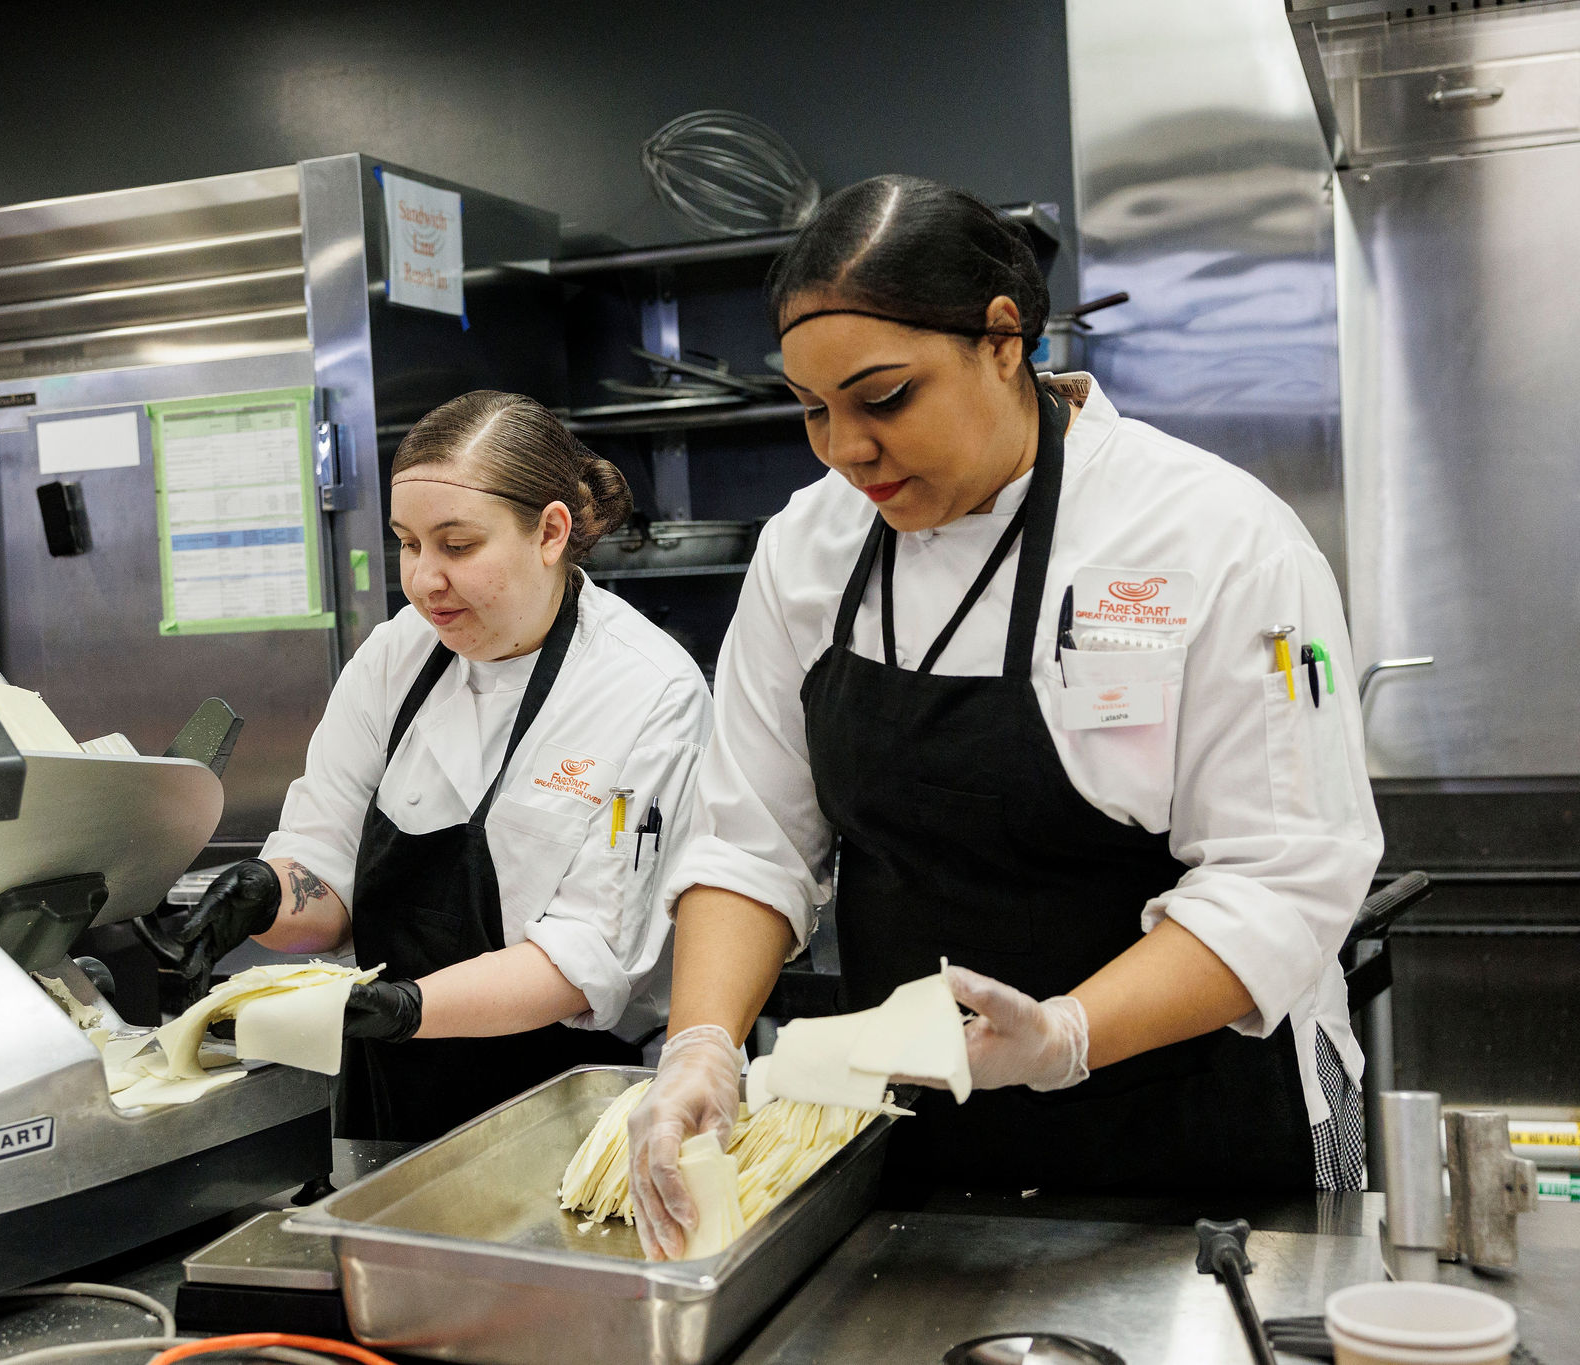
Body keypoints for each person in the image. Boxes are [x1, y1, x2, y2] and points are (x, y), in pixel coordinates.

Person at [625, 175, 1383, 1258]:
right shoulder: (807, 548)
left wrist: (1066, 1034)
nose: (844, 449)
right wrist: (701, 1041)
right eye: (812, 409)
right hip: (918, 1135)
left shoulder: (1215, 538)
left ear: (1000, 340)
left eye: (884, 398)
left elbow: (1283, 874)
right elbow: (752, 841)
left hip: (1201, 1132)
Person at [179, 390, 711, 1143]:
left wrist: (408, 1007)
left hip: (571, 1103)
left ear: (550, 532)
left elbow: (587, 956)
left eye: (457, 546)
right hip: (388, 1095)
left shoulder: (647, 691)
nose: (425, 579)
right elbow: (326, 875)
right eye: (408, 544)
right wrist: (267, 897)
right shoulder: (395, 658)